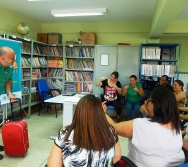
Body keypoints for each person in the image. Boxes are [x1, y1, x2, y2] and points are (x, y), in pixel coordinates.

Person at [104, 87, 185, 167]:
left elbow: (112, 127)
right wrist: (147, 112)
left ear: (156, 105)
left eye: (148, 101)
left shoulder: (140, 125)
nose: (146, 102)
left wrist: (102, 112)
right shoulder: (176, 124)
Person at [47, 94, 121, 167]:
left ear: (78, 112)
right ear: (100, 113)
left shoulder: (65, 133)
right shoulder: (110, 131)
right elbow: (116, 157)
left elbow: (53, 165)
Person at [0, 46, 17, 160]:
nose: (13, 61)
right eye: (11, 58)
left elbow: (8, 80)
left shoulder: (9, 67)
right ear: (2, 58)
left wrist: (9, 94)